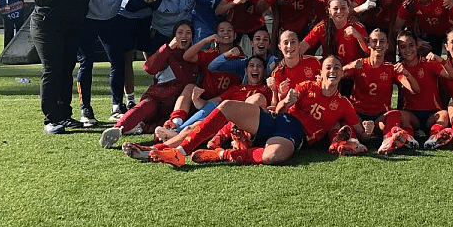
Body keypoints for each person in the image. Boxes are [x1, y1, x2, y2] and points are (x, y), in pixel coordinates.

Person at [148, 54, 369, 167]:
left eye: (337, 68)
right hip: (277, 119)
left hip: (294, 134)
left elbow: (362, 132)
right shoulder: (307, 86)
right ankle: (180, 152)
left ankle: (223, 154)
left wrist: (368, 130)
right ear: (321, 72)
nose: (333, 71)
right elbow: (279, 109)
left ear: (342, 74)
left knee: (274, 156)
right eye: (328, 67)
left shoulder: (344, 104)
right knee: (227, 106)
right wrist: (287, 101)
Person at [33, 0, 99, 134]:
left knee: (66, 70)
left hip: (70, 28)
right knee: (52, 69)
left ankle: (64, 115)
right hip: (47, 26)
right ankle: (50, 119)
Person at [99, 20, 200, 148]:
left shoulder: (196, 56)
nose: (184, 36)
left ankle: (143, 128)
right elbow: (149, 68)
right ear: (174, 36)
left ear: (192, 37)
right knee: (146, 105)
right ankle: (118, 129)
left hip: (177, 107)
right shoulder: (168, 52)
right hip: (157, 99)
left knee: (178, 121)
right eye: (180, 32)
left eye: (188, 33)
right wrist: (167, 48)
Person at [343, 29, 420, 155]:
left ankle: (387, 141)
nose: (378, 44)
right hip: (359, 115)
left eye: (382, 41)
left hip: (379, 117)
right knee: (346, 115)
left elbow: (414, 89)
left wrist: (407, 74)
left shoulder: (391, 68)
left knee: (395, 114)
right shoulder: (360, 64)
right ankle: (355, 143)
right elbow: (336, 76)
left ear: (387, 45)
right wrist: (348, 67)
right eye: (374, 41)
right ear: (368, 44)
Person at [300, 0, 368, 70]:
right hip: (331, 71)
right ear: (329, 10)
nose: (339, 11)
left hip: (352, 70)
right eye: (335, 8)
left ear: (348, 9)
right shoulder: (322, 27)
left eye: (343, 8)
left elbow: (369, 51)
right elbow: (302, 47)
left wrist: (359, 36)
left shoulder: (357, 27)